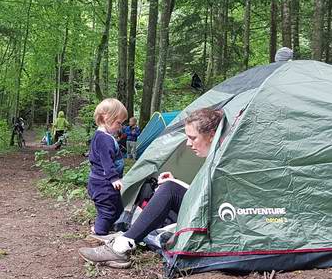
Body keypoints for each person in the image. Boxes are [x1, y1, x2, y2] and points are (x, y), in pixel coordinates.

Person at [79, 107, 224, 268]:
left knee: (169, 189)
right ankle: (128, 233)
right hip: (211, 211)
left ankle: (120, 247)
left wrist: (175, 185)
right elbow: (206, 193)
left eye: (192, 138)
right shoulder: (216, 154)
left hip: (221, 221)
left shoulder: (226, 161)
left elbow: (216, 201)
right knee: (161, 187)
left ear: (211, 135)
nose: (188, 144)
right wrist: (177, 182)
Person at [87, 98, 128, 237]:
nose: (120, 127)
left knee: (117, 208)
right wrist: (114, 178)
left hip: (102, 182)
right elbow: (106, 161)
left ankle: (108, 226)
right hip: (104, 183)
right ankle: (100, 232)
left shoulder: (101, 136)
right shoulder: (104, 139)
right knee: (107, 210)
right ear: (105, 117)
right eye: (118, 123)